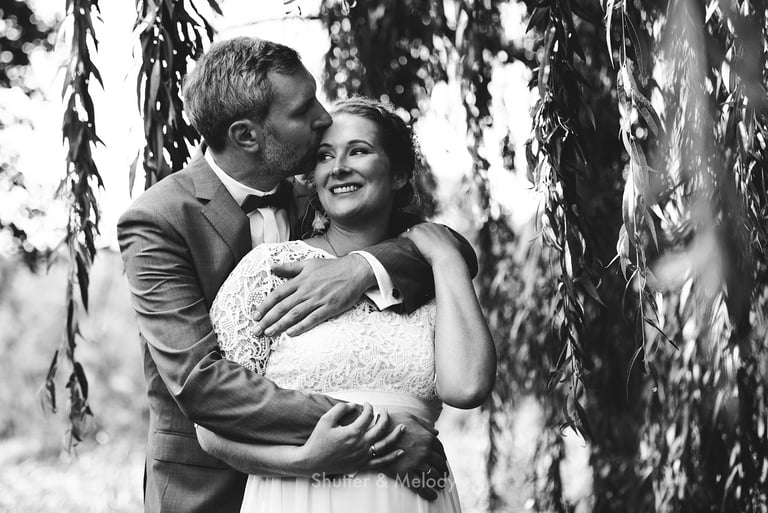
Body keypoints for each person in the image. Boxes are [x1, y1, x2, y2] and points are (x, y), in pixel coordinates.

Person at [117, 37, 477, 513]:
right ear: (247, 136)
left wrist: (359, 268)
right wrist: (379, 431)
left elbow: (448, 251)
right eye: (304, 109)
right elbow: (199, 382)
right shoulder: (157, 220)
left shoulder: (322, 189)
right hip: (208, 485)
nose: (323, 117)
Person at [197, 97, 497, 512]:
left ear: (399, 173)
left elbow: (467, 387)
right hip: (299, 497)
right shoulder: (268, 270)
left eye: (358, 150)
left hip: (410, 499)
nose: (338, 167)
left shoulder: (431, 271)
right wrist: (310, 460)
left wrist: (445, 257)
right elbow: (213, 428)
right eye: (325, 155)